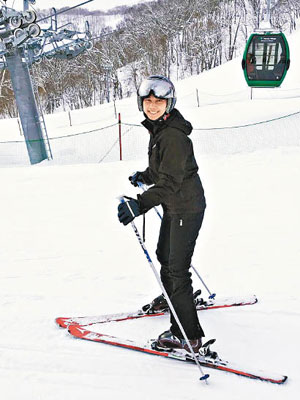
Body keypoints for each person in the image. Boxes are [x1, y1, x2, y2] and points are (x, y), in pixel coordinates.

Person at [117, 75, 206, 354]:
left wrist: (139, 205)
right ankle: (176, 297)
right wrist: (144, 175)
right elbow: (163, 171)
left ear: (169, 104)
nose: (153, 106)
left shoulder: (172, 136)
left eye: (159, 102)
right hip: (176, 205)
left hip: (186, 208)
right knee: (165, 255)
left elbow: (170, 183)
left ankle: (187, 335)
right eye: (148, 101)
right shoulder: (160, 129)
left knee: (175, 269)